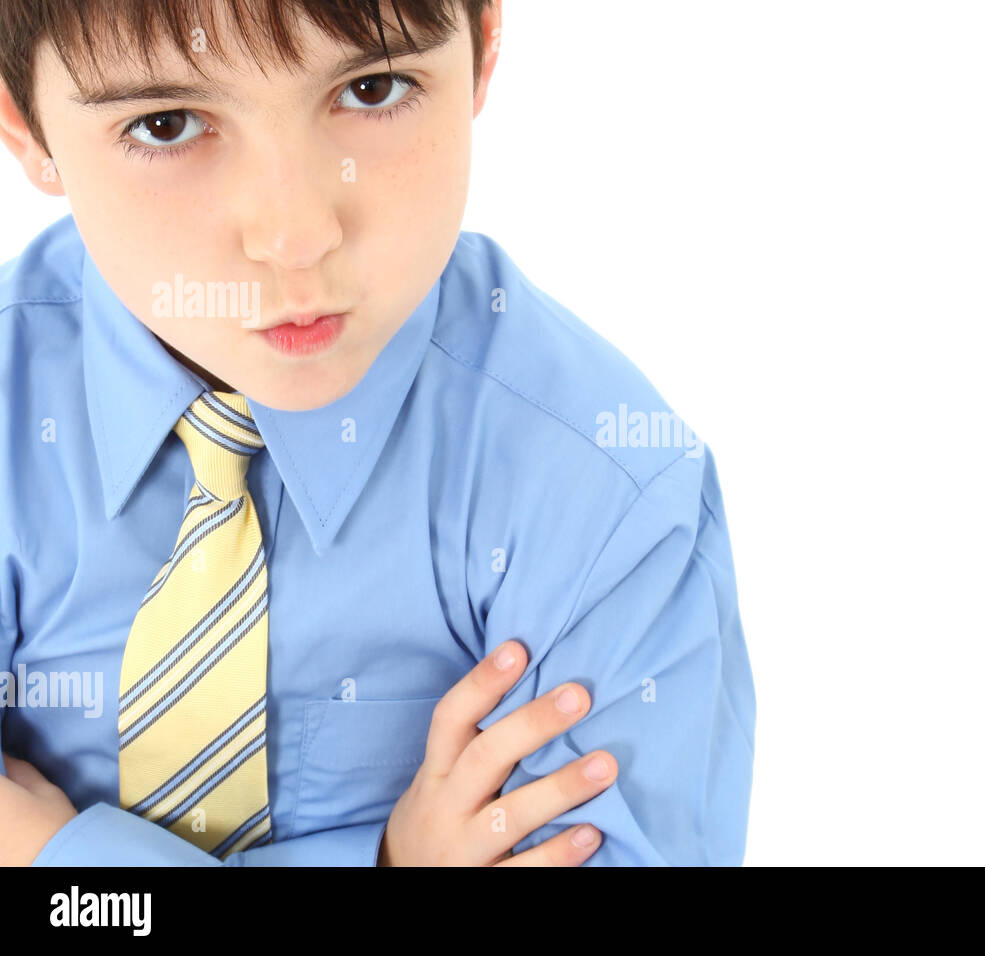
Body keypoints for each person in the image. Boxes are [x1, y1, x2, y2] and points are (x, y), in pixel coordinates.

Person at [0, 0, 755, 865]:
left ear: (484, 50)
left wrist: (56, 861)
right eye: (167, 125)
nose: (295, 238)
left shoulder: (604, 491)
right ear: (25, 125)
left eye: (372, 87)